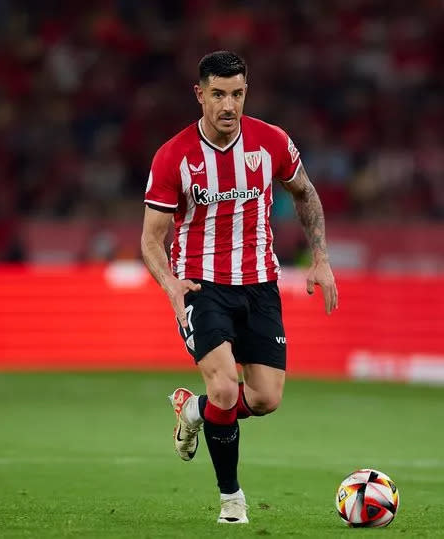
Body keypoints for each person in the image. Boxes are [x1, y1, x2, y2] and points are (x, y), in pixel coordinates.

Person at [140, 50, 339, 524]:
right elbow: (151, 237)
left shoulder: (271, 142)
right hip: (201, 285)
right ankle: (231, 499)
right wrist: (170, 285)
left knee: (266, 398)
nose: (228, 106)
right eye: (218, 95)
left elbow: (305, 192)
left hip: (259, 285)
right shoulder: (174, 156)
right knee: (227, 387)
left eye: (237, 94)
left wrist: (322, 259)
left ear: (246, 91)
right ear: (200, 94)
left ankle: (194, 411)